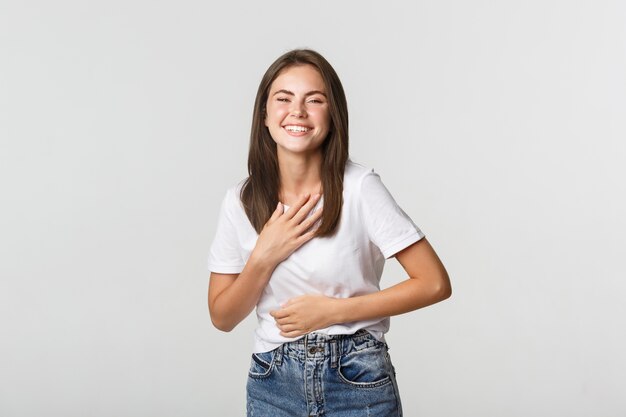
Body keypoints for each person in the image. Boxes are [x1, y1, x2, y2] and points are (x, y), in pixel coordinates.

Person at [207, 48, 451, 417]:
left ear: (332, 115)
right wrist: (263, 256)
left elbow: (434, 283)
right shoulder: (240, 200)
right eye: (284, 98)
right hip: (274, 381)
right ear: (264, 116)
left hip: (356, 376)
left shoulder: (360, 188)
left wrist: (333, 312)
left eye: (314, 100)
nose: (298, 112)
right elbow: (222, 317)